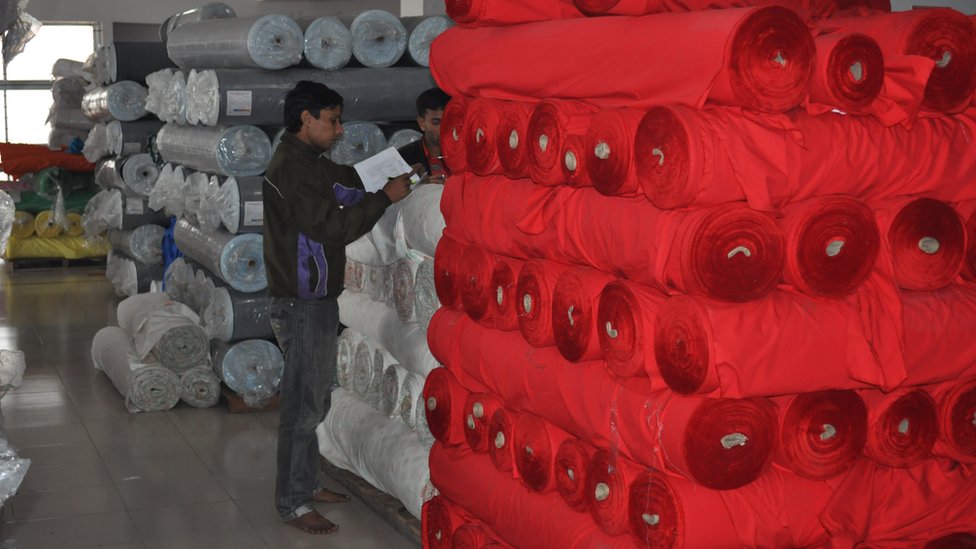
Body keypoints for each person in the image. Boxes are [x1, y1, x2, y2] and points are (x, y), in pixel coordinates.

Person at [263, 80, 415, 535]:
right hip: (302, 301)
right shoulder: (292, 169)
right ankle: (292, 503)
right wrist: (384, 199)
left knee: (315, 396)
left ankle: (307, 482)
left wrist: (405, 168)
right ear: (306, 118)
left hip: (315, 298)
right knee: (302, 404)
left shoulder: (310, 161)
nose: (340, 129)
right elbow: (331, 228)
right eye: (333, 120)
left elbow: (347, 181)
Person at [398, 87, 451, 184]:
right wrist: (421, 187)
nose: (444, 128)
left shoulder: (469, 154)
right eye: (436, 122)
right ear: (422, 123)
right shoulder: (403, 159)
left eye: (449, 121)